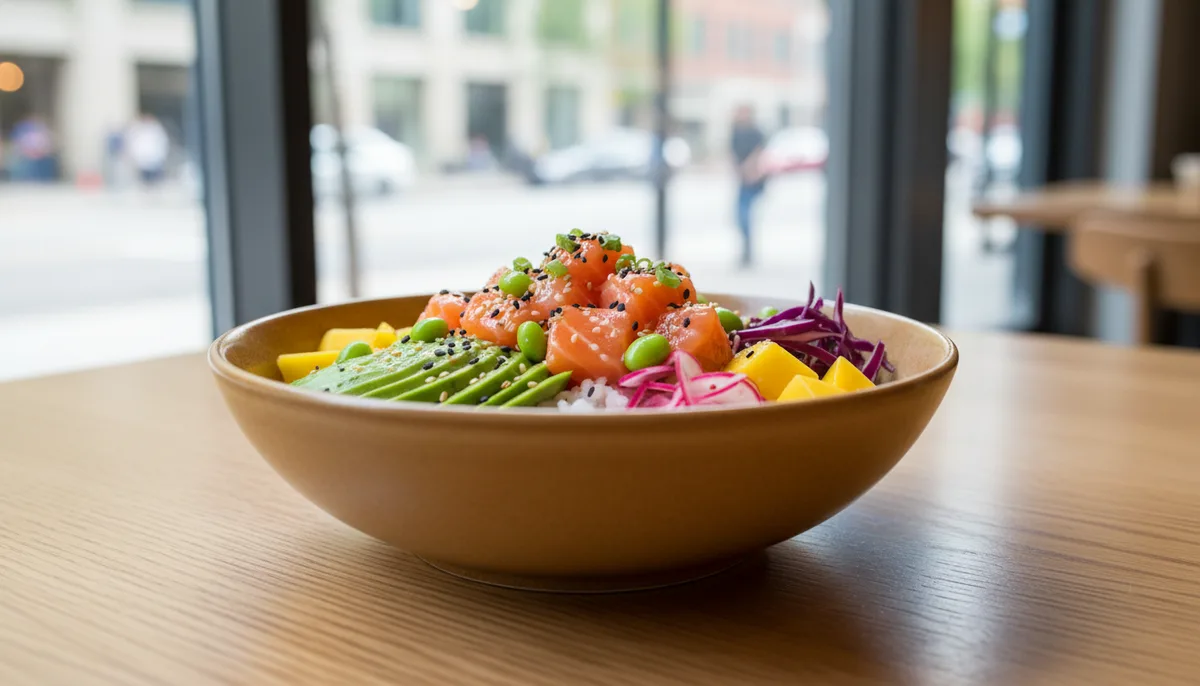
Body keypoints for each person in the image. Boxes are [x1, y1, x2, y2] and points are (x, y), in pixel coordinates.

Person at [730, 105, 766, 267]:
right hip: (742, 179)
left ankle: (748, 250)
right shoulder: (736, 132)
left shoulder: (755, 132)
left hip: (752, 180)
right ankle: (746, 249)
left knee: (744, 214)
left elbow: (759, 153)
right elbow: (732, 154)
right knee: (740, 215)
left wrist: (750, 169)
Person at [124, 113, 170, 188]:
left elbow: (162, 142)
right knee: (145, 182)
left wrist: (162, 155)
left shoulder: (156, 129)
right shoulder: (139, 130)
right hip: (143, 159)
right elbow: (134, 144)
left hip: (154, 159)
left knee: (155, 182)